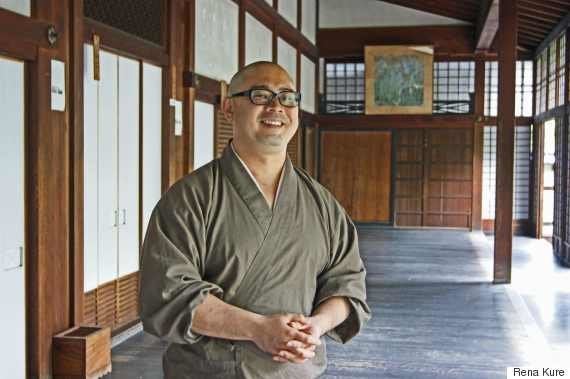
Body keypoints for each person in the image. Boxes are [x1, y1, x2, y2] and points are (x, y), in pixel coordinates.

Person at [139, 61, 370, 378]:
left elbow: (347, 285)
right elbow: (168, 294)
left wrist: (315, 327)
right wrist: (257, 328)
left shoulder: (322, 203)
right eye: (261, 95)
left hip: (296, 371)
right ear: (229, 108)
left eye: (288, 97)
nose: (277, 107)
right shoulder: (189, 199)